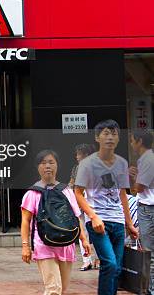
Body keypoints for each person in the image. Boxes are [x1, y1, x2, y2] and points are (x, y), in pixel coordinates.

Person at [74, 119, 139, 295]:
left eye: (114, 134)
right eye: (106, 134)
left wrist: (129, 223)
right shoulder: (87, 164)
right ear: (97, 137)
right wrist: (93, 216)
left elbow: (122, 194)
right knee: (109, 263)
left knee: (117, 269)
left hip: (117, 221)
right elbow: (78, 193)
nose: (110, 137)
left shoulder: (121, 164)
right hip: (98, 222)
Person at [21, 150, 91, 295]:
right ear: (37, 167)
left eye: (51, 162)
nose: (47, 166)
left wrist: (84, 240)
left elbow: (76, 217)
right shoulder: (32, 193)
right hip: (44, 244)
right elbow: (25, 221)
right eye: (43, 163)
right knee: (53, 289)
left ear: (57, 166)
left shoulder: (66, 191)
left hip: (67, 244)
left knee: (63, 288)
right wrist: (25, 246)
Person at [129, 128, 154, 294]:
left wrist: (132, 177)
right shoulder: (147, 159)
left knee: (149, 251)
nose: (131, 144)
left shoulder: (147, 159)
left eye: (132, 140)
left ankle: (152, 289)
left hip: (148, 209)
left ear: (139, 141)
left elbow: (138, 189)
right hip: (147, 208)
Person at [69, 143, 99, 271]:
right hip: (79, 202)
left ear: (86, 154)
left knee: (97, 231)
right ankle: (87, 260)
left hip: (93, 203)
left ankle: (99, 258)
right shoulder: (76, 168)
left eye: (79, 154)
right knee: (82, 232)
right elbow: (71, 183)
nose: (77, 156)